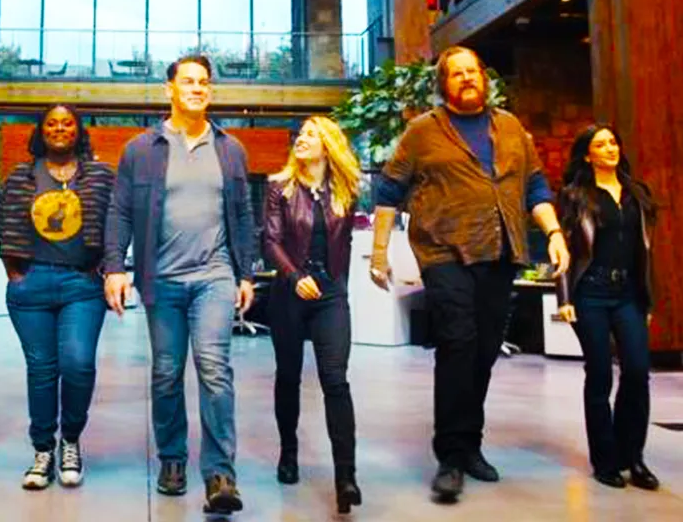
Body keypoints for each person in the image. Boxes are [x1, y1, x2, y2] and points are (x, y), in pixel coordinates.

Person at [369, 46, 570, 501]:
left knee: (483, 351)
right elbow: (389, 190)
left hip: (500, 251)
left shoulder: (511, 127)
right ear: (443, 84)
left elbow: (535, 185)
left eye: (472, 71)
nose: (465, 78)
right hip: (444, 253)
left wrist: (554, 233)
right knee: (457, 344)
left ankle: (470, 443)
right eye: (455, 73)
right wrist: (379, 253)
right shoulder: (423, 131)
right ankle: (451, 456)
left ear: (484, 78)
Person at [104, 55, 255, 515]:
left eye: (204, 82)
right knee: (167, 372)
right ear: (169, 89)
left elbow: (243, 213)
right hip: (162, 279)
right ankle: (172, 458)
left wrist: (246, 273)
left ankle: (220, 473)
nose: (197, 88)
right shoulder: (141, 149)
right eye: (187, 81)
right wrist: (115, 267)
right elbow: (120, 210)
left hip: (215, 275)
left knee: (214, 367)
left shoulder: (229, 149)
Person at [0, 104, 115, 489]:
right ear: (41, 131)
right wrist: (14, 274)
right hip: (33, 284)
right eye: (52, 123)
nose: (60, 129)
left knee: (78, 363)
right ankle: (43, 450)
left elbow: (117, 223)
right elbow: (1, 223)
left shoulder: (100, 176)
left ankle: (70, 440)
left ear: (78, 130)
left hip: (82, 284)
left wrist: (106, 266)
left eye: (67, 123)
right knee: (41, 370)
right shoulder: (21, 176)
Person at [263, 116, 363, 514]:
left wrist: (340, 283)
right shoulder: (279, 187)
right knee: (288, 376)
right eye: (300, 134)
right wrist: (294, 276)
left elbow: (346, 242)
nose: (301, 139)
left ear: (328, 145)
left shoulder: (345, 190)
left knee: (335, 380)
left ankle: (346, 477)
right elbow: (270, 241)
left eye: (310, 134)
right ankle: (289, 452)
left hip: (331, 296)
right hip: (290, 294)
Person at [556, 125, 659, 491]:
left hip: (629, 293)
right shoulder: (574, 196)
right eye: (600, 144)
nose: (610, 148)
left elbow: (645, 252)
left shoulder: (637, 193)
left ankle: (634, 457)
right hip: (591, 293)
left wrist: (648, 297)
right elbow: (564, 250)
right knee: (599, 374)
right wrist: (564, 298)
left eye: (613, 142)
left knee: (637, 372)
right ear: (588, 155)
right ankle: (605, 460)